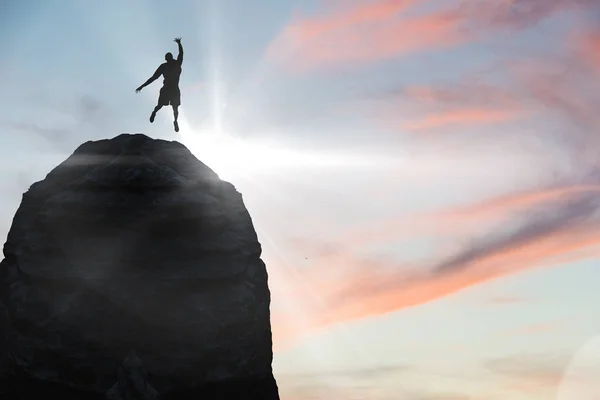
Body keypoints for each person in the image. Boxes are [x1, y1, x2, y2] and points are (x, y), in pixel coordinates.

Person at [135, 37, 184, 132]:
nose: (167, 60)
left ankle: (175, 121)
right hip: (166, 89)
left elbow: (181, 54)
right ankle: (154, 112)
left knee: (175, 108)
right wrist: (142, 86)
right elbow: (153, 78)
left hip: (174, 89)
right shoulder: (164, 66)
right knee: (160, 105)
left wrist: (179, 44)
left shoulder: (176, 64)